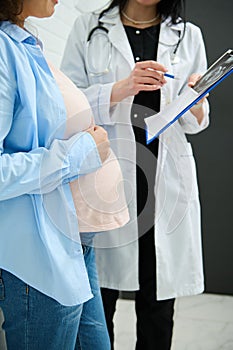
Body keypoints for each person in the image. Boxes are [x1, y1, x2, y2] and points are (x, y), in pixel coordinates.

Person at [61, 0, 210, 349]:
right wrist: (121, 88)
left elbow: (194, 122)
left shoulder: (188, 35)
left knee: (158, 300)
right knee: (100, 298)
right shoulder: (89, 27)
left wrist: (198, 100)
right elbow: (66, 102)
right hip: (109, 176)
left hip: (164, 178)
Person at [0, 0, 112, 349]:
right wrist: (80, 153)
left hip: (70, 236)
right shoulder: (3, 52)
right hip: (36, 255)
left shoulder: (24, 42)